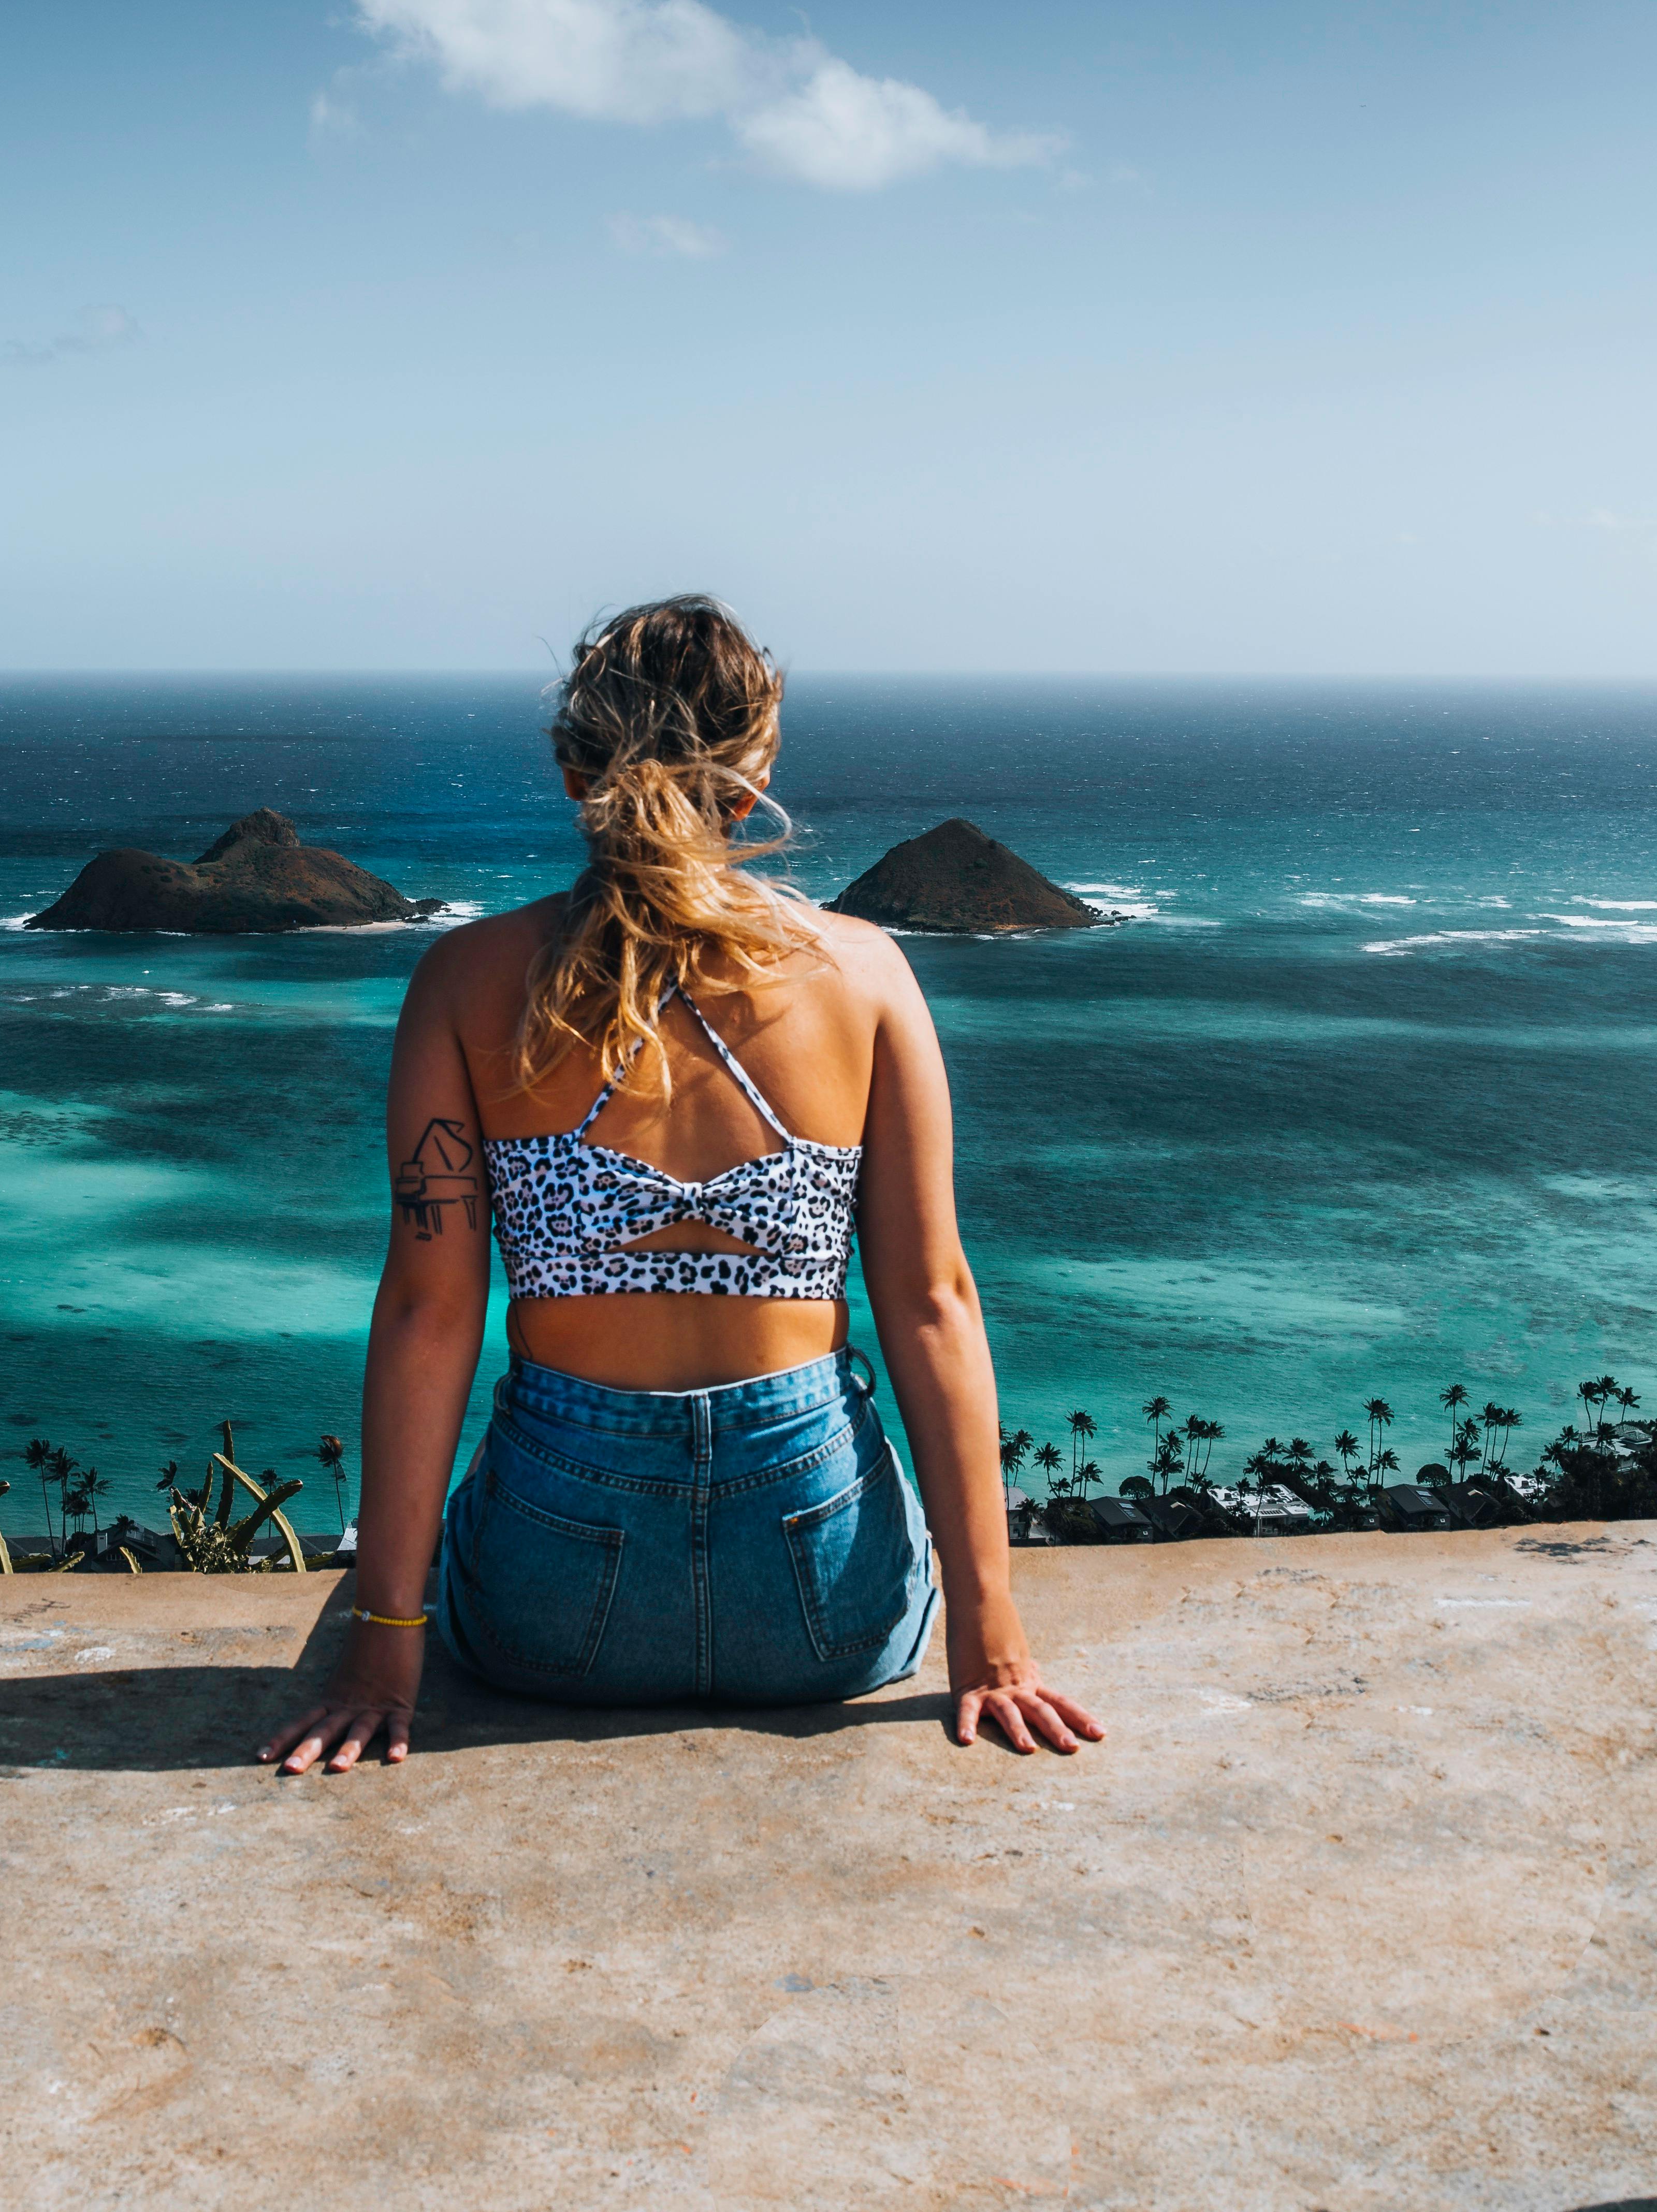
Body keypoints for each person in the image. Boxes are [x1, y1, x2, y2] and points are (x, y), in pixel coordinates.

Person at [260, 596, 1103, 1774]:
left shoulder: (464, 979)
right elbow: (933, 1305)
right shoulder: (863, 974)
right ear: (754, 786)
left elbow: (429, 1313)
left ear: (571, 773)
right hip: (825, 1601)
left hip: (550, 1605)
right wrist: (990, 1638)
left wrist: (382, 1651)